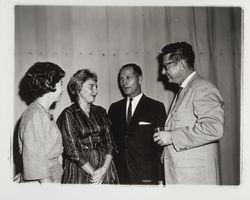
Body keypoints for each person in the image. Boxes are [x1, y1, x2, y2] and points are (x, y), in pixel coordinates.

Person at [153, 41, 224, 184]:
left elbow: (214, 128)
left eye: (166, 66)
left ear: (181, 65)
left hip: (195, 179)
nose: (162, 72)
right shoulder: (185, 89)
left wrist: (172, 137)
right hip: (182, 176)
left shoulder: (203, 88)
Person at [57, 69, 119, 184]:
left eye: (96, 87)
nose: (96, 91)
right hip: (80, 171)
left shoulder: (101, 111)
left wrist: (104, 170)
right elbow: (72, 151)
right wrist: (94, 173)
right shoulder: (68, 114)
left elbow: (111, 144)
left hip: (105, 170)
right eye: (91, 87)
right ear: (78, 88)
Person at [108, 63, 167, 184]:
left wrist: (161, 177)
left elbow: (160, 148)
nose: (124, 82)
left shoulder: (156, 107)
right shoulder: (114, 109)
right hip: (120, 176)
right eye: (121, 79)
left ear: (140, 79)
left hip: (147, 176)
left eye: (128, 78)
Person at [18, 62, 65, 183]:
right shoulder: (33, 116)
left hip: (53, 177)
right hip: (44, 183)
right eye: (61, 83)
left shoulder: (43, 113)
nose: (63, 89)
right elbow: (38, 168)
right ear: (48, 84)